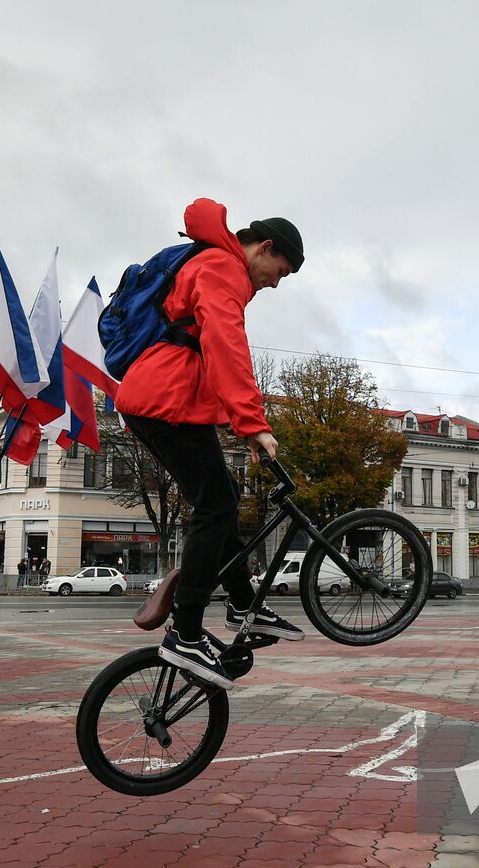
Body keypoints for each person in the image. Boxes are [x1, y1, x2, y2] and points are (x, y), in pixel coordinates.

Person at [116, 198, 305, 690]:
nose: (275, 283)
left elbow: (205, 355)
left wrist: (236, 423)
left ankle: (243, 603)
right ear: (263, 248)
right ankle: (186, 630)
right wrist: (253, 423)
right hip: (162, 400)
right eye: (278, 271)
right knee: (216, 506)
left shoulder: (214, 263)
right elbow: (226, 345)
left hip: (166, 400)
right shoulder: (223, 267)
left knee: (218, 499)